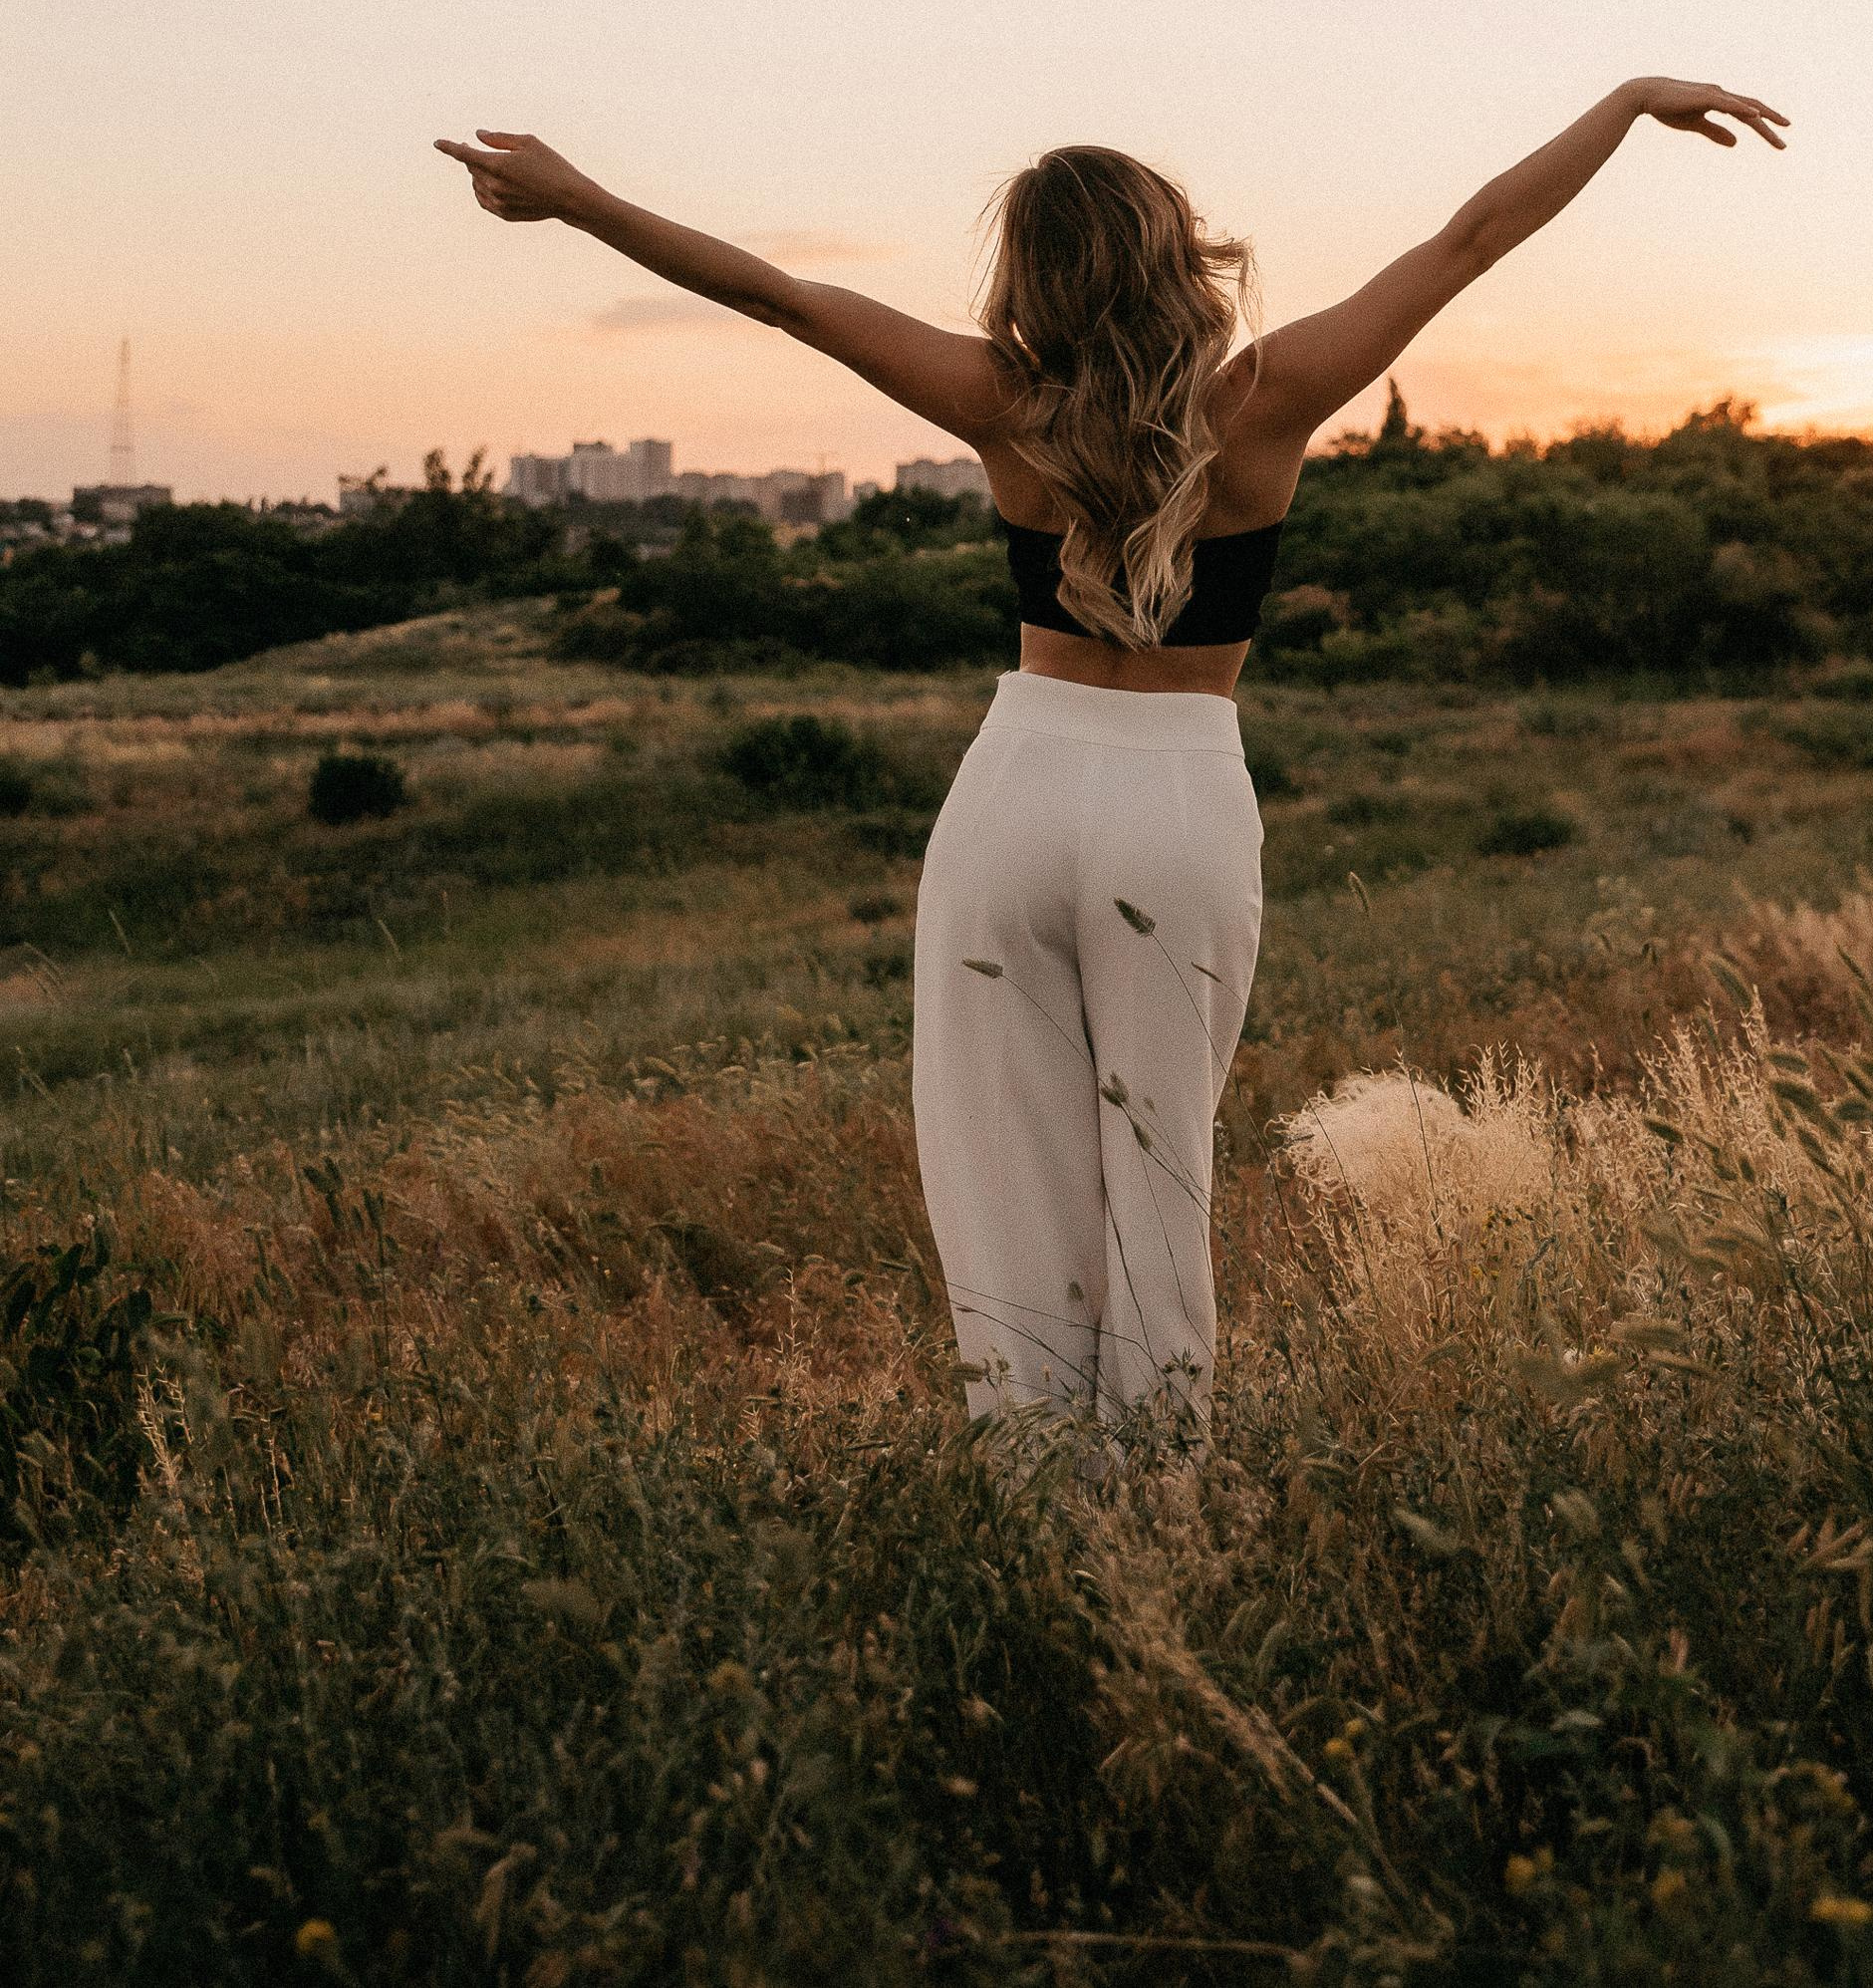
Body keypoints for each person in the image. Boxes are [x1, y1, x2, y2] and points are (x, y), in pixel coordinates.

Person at [435, 76, 1785, 1442]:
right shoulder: (1267, 396)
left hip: (1015, 789)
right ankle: (1160, 1489)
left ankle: (1036, 1476)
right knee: (1158, 1168)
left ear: (1028, 276)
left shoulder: (996, 399)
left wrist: (578, 201)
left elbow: (780, 297)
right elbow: (1468, 239)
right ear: (1175, 254)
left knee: (998, 1157)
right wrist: (1619, 108)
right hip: (1179, 799)